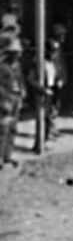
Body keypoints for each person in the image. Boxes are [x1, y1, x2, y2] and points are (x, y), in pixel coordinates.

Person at [0, 33, 25, 167]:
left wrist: (23, 92)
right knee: (3, 129)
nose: (18, 55)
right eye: (15, 52)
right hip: (6, 99)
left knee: (13, 128)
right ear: (10, 53)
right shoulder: (2, 67)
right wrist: (4, 100)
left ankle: (8, 155)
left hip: (16, 98)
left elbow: (21, 81)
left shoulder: (18, 66)